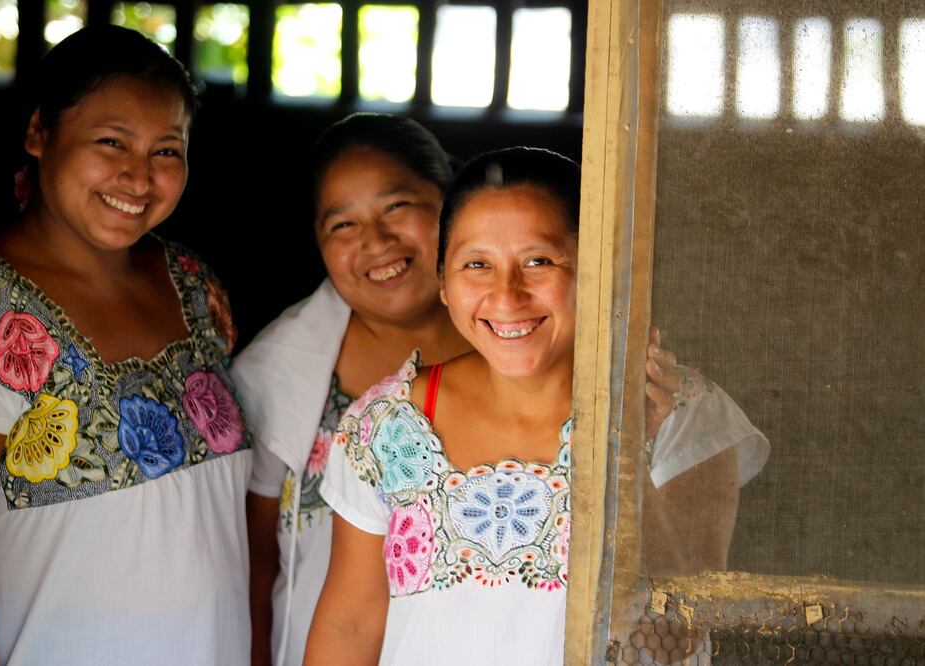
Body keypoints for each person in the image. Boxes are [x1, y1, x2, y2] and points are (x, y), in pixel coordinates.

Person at [306, 147, 769, 664]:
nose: (507, 296)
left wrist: (624, 450)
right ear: (443, 283)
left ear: (595, 271)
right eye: (476, 264)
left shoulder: (679, 410)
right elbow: (349, 626)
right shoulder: (386, 428)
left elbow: (675, 638)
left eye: (538, 261)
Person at [0, 26, 250, 665]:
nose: (138, 176)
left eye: (166, 150)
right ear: (39, 131)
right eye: (112, 142)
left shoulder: (193, 284)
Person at [233, 113, 473, 666]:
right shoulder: (273, 375)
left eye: (397, 206)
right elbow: (256, 563)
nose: (377, 242)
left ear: (451, 202)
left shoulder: (523, 339)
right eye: (343, 225)